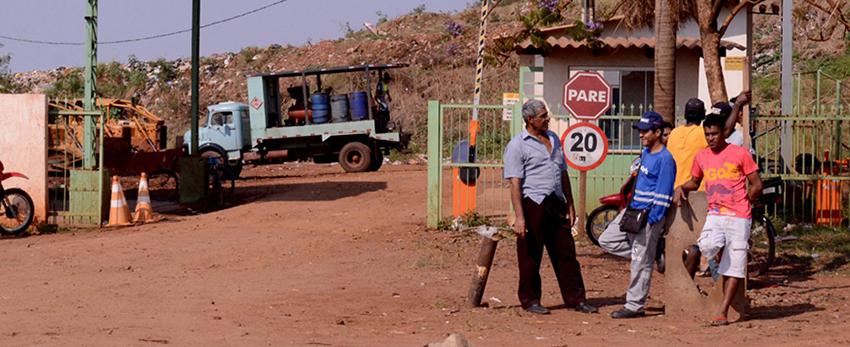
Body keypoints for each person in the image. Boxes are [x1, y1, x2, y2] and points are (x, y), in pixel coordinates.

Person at [503, 99, 598, 315]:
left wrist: (570, 204)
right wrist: (519, 217)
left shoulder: (554, 139)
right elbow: (515, 182)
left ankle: (576, 299)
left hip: (556, 202)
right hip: (533, 203)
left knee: (566, 253)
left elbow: (562, 172)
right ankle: (530, 300)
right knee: (530, 255)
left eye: (547, 115)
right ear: (530, 120)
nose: (548, 119)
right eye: (543, 116)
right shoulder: (517, 145)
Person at [673, 115, 763, 326]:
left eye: (714, 134)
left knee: (735, 267)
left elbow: (757, 184)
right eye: (707, 135)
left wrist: (745, 203)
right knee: (707, 245)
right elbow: (695, 181)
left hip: (739, 217)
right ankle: (723, 253)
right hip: (715, 214)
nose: (710, 138)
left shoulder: (740, 153)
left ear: (724, 132)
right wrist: (681, 187)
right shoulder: (701, 156)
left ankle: (722, 312)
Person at [598, 111, 676, 319]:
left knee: (640, 262)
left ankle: (634, 306)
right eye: (640, 131)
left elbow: (664, 193)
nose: (641, 135)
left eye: (645, 131)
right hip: (632, 211)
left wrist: (653, 219)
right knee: (607, 240)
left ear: (657, 132)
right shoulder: (646, 154)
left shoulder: (665, 159)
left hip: (649, 216)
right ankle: (653, 255)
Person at [671, 92, 751, 277]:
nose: (711, 136)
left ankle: (689, 287)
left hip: (680, 193)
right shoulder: (702, 133)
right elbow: (726, 131)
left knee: (691, 244)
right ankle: (719, 282)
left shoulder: (675, 134)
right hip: (703, 196)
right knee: (712, 244)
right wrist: (738, 104)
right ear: (702, 118)